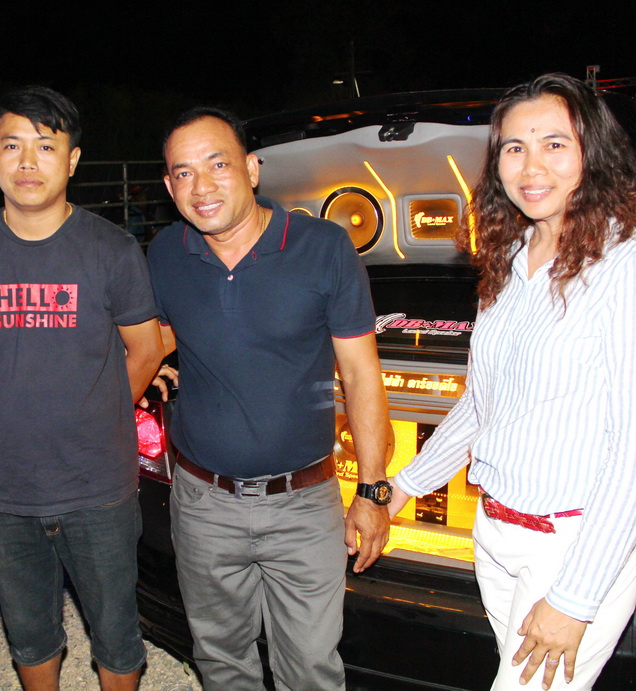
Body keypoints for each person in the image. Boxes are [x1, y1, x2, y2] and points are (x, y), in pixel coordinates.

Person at [387, 73, 636, 691]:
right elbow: (482, 406)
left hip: (573, 544)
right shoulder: (510, 258)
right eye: (514, 147)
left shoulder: (633, 266)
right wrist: (401, 488)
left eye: (554, 144)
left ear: (592, 153)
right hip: (496, 534)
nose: (531, 166)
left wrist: (575, 597)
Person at [147, 107, 391, 691]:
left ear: (252, 169)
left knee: (310, 669)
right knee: (220, 660)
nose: (201, 187)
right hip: (203, 503)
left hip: (303, 505)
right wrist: (141, 365)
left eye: (218, 165)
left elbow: (361, 375)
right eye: (183, 173)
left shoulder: (324, 247)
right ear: (169, 187)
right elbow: (156, 336)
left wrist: (373, 490)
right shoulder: (165, 253)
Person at [0, 86, 163, 691]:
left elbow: (145, 348)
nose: (28, 161)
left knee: (117, 632)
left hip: (99, 488)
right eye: (12, 145)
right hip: (6, 490)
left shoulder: (112, 248)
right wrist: (7, 401)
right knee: (29, 632)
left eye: (45, 145)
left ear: (73, 159)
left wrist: (99, 408)